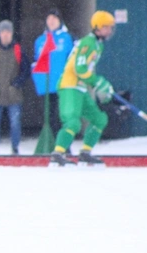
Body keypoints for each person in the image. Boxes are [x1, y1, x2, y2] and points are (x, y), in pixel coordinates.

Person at [50, 11, 116, 166]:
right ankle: (58, 154)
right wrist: (96, 82)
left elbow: (87, 70)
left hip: (81, 88)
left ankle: (85, 152)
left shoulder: (98, 45)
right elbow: (79, 68)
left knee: (99, 119)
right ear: (98, 27)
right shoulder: (88, 43)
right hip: (70, 85)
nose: (110, 31)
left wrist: (100, 85)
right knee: (73, 123)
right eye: (107, 27)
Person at [0, 19, 30, 155]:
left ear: (12, 33)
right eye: (3, 31)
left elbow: (26, 70)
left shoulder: (19, 50)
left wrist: (16, 84)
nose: (5, 34)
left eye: (8, 31)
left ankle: (15, 147)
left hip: (14, 94)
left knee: (15, 122)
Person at [32, 9, 74, 141]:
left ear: (59, 21)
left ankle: (63, 144)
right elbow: (36, 62)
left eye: (54, 18)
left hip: (63, 85)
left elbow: (72, 60)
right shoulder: (40, 41)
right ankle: (52, 142)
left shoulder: (67, 38)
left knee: (62, 116)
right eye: (49, 18)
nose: (51, 21)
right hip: (46, 86)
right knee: (48, 117)